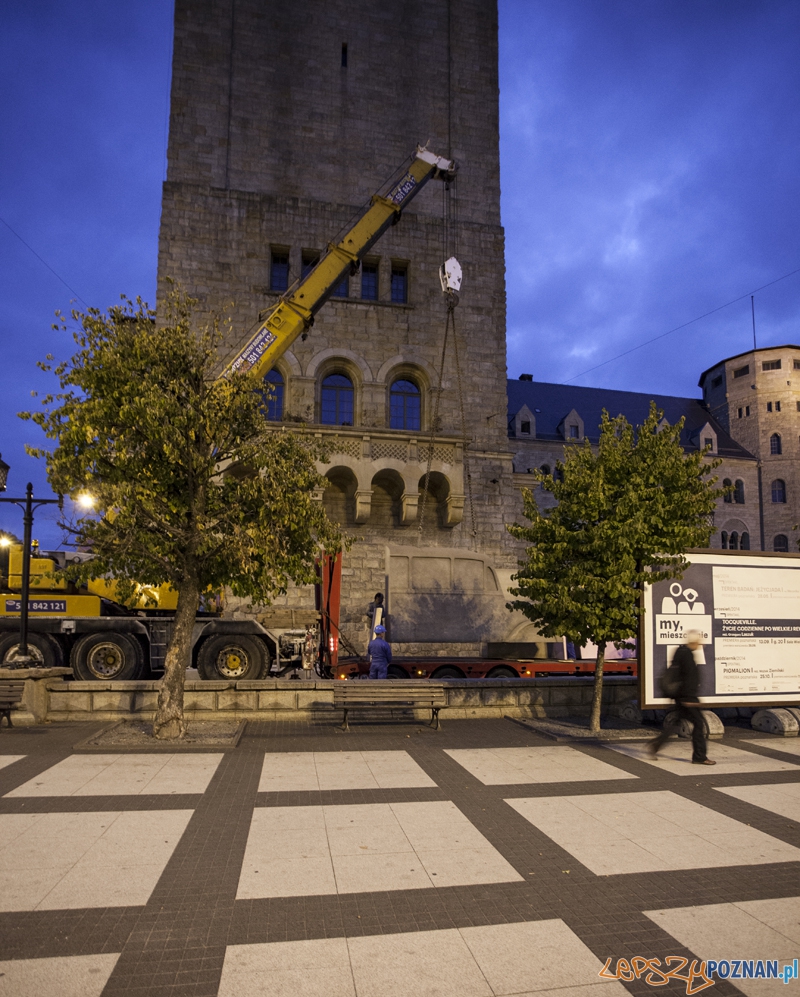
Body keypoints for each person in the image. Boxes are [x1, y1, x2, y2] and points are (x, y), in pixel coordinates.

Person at [649, 629, 715, 765]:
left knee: (675, 724)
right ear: (694, 642)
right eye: (699, 642)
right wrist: (690, 699)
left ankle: (655, 745)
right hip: (687, 698)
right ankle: (699, 756)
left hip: (681, 696)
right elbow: (688, 678)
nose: (700, 645)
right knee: (698, 723)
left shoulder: (681, 652)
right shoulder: (687, 656)